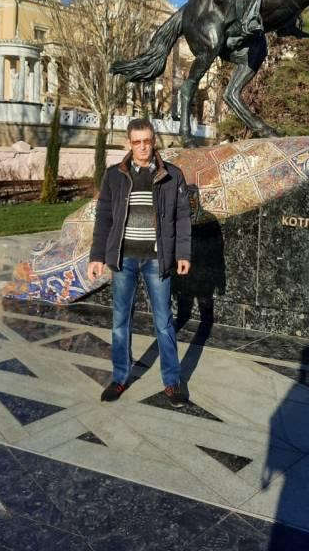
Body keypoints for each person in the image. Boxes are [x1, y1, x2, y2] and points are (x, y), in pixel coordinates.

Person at [87, 118, 192, 406]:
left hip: (158, 259)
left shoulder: (171, 175)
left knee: (164, 322)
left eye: (148, 141)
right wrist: (97, 256)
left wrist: (183, 254)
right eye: (137, 142)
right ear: (128, 143)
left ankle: (172, 382)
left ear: (153, 140)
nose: (143, 147)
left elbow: (183, 217)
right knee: (121, 321)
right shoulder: (114, 175)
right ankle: (119, 379)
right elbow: (104, 218)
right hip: (124, 259)